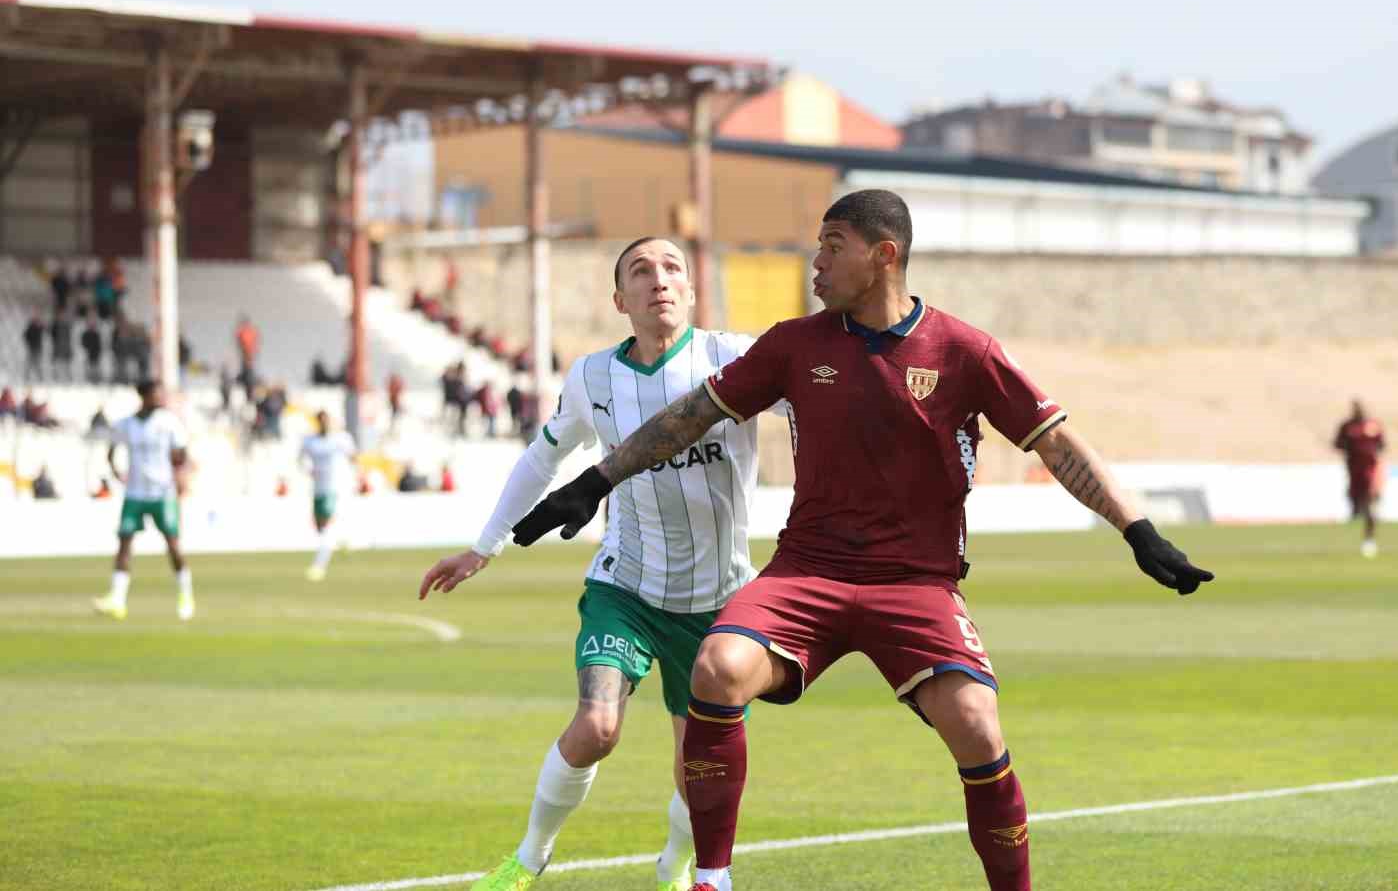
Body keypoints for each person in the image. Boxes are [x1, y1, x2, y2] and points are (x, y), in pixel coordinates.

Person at [513, 192, 1215, 891]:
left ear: (884, 255)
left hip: (916, 583)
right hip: (806, 573)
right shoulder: (793, 344)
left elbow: (1056, 445)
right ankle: (712, 879)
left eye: (832, 246)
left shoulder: (963, 351)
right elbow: (692, 414)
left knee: (977, 724)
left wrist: (1138, 530)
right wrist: (595, 481)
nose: (815, 263)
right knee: (718, 668)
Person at [419, 237, 782, 891]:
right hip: (626, 588)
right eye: (641, 271)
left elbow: (817, 398)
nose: (658, 279)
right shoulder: (592, 378)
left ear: (691, 290)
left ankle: (674, 866)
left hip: (721, 605)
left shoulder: (735, 358)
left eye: (672, 268)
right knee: (598, 724)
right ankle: (529, 858)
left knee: (696, 767)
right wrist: (484, 545)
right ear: (620, 300)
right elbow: (542, 458)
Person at [92, 379, 195, 622]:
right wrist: (117, 473)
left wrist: (180, 476)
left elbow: (182, 454)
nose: (161, 398)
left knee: (173, 545)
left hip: (162, 494)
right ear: (144, 396)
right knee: (124, 543)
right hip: (135, 494)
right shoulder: (127, 424)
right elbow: (111, 450)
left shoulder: (169, 422)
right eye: (157, 394)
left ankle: (186, 595)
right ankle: (117, 600)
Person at [299, 410, 359, 582]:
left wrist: (352, 474)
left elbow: (354, 456)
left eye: (327, 420)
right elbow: (300, 459)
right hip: (318, 489)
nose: (325, 423)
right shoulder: (310, 441)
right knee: (320, 528)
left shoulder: (341, 439)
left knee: (327, 527)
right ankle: (342, 539)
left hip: (335, 488)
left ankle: (319, 565)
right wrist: (308, 470)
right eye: (321, 420)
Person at [1333, 399, 1387, 558]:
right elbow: (1338, 443)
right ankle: (1357, 515)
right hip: (1353, 470)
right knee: (1355, 501)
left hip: (1371, 470)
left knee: (1370, 502)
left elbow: (1382, 445)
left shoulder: (1373, 425)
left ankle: (1369, 539)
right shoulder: (1347, 426)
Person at [22, 311, 46, 382]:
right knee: (30, 362)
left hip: (38, 347)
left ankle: (39, 377)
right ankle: (27, 377)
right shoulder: (30, 327)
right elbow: (25, 335)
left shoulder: (39, 327)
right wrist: (28, 343)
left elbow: (44, 329)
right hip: (32, 347)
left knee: (37, 363)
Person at [81, 317, 105, 384]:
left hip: (95, 354)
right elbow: (83, 344)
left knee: (95, 368)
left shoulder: (97, 334)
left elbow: (99, 345)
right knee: (88, 368)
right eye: (90, 324)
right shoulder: (85, 334)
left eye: (93, 324)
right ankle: (89, 381)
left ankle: (96, 381)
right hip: (88, 354)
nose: (92, 325)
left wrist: (99, 352)